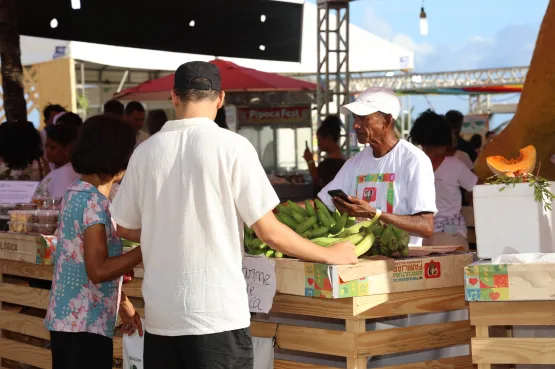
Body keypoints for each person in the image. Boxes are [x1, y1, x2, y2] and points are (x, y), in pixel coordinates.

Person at [110, 61, 357, 369]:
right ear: (220, 98)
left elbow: (121, 225)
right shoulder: (234, 148)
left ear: (174, 97)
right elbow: (269, 231)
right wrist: (329, 254)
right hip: (219, 316)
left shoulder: (145, 153)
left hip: (163, 318)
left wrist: (166, 233)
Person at [44, 115, 143, 369]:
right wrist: (149, 248)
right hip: (83, 325)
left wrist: (123, 303)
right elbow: (97, 270)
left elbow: (82, 258)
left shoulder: (76, 193)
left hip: (73, 321)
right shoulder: (94, 203)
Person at [318, 87, 437, 246]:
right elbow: (323, 203)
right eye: (355, 118)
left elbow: (426, 227)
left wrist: (374, 214)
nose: (356, 126)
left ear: (387, 120)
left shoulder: (413, 160)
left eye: (363, 119)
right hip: (362, 259)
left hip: (402, 264)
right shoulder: (355, 163)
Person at [409, 110, 477, 250]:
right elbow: (478, 189)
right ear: (445, 137)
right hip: (451, 236)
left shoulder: (410, 165)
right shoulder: (455, 165)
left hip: (418, 238)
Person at [34, 113, 83, 198]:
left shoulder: (65, 173)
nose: (47, 151)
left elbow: (58, 203)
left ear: (68, 148)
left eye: (52, 148)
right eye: (46, 146)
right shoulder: (62, 170)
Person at [304, 115, 346, 192]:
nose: (318, 143)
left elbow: (318, 181)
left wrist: (310, 161)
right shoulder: (343, 161)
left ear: (329, 138)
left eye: (319, 140)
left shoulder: (330, 165)